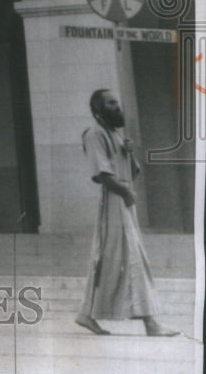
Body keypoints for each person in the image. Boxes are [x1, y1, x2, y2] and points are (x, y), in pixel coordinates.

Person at [75, 89, 179, 338]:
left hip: (124, 203)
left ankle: (85, 314)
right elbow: (102, 175)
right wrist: (125, 192)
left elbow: (131, 173)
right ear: (98, 109)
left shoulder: (116, 134)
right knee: (131, 257)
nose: (117, 107)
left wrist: (129, 153)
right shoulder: (94, 134)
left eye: (117, 103)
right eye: (111, 103)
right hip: (114, 202)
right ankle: (151, 324)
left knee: (110, 259)